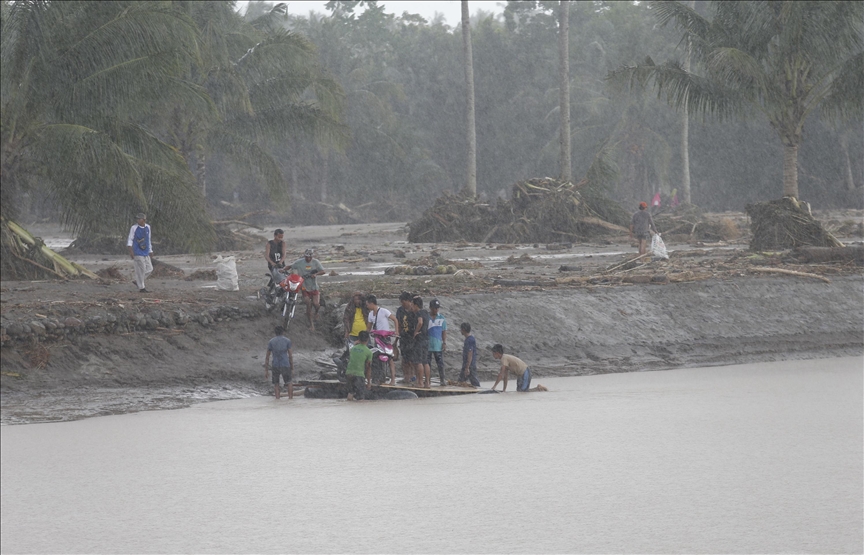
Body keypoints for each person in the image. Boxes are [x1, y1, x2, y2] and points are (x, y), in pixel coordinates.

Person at [289, 248, 326, 330]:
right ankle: (311, 325)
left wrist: (316, 274)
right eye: (307, 257)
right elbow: (291, 266)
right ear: (304, 256)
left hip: (314, 287)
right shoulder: (299, 262)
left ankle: (316, 312)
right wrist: (283, 269)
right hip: (304, 287)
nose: (308, 259)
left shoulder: (316, 262)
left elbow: (323, 271)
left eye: (310, 257)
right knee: (308, 304)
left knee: (316, 304)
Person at [365, 294, 397, 385]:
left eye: (367, 304)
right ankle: (379, 378)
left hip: (385, 338)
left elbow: (395, 319)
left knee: (389, 358)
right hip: (377, 339)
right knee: (377, 358)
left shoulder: (383, 311)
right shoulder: (370, 314)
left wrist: (397, 332)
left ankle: (393, 380)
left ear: (372, 303)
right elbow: (368, 328)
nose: (367, 306)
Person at [264, 325, 294, 399]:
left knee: (276, 384)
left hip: (275, 365)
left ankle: (277, 399)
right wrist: (292, 367)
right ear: (283, 332)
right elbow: (290, 355)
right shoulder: (287, 341)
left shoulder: (271, 341)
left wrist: (266, 370)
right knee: (289, 382)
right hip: (285, 364)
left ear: (275, 333)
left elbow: (267, 357)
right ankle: (290, 399)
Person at [127, 212, 153, 293]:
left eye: (139, 219)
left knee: (150, 269)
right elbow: (130, 239)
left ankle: (138, 281)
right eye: (137, 219)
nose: (138, 220)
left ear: (144, 220)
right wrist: (131, 251)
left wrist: (150, 250)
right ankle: (142, 288)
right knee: (141, 269)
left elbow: (148, 239)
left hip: (145, 251)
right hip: (137, 251)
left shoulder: (148, 227)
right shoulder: (134, 228)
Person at [395, 291, 418, 385]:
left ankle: (414, 377)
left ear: (408, 301)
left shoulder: (414, 310)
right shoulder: (400, 310)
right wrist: (397, 336)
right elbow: (398, 323)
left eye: (403, 302)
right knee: (404, 359)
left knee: (413, 359)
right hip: (403, 337)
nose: (402, 304)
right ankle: (406, 377)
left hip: (413, 338)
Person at [345, 330, 373, 401]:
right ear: (367, 339)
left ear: (358, 339)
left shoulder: (352, 348)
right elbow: (368, 367)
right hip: (359, 375)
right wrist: (369, 382)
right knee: (361, 398)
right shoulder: (368, 352)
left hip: (349, 373)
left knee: (350, 393)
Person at [426, 299, 447, 387]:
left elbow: (444, 331)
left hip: (438, 345)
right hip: (428, 345)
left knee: (440, 364)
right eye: (434, 308)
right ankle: (428, 380)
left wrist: (444, 342)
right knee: (427, 363)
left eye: (437, 308)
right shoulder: (426, 318)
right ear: (430, 308)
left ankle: (442, 380)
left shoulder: (442, 318)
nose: (436, 310)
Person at [411, 296, 431, 388]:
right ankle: (427, 382)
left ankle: (420, 382)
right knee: (425, 362)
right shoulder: (426, 313)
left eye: (412, 304)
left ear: (416, 305)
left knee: (419, 361)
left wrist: (416, 331)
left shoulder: (419, 313)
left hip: (420, 339)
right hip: (426, 338)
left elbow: (420, 322)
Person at [458, 322, 480, 387]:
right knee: (460, 381)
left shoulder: (469, 340)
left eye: (461, 329)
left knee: (474, 382)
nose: (460, 331)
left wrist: (467, 367)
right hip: (467, 365)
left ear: (464, 330)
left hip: (469, 365)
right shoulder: (469, 339)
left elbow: (470, 353)